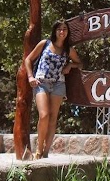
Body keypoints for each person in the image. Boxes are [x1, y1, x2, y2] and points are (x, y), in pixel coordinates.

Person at [24, 19, 82, 159]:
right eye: (59, 29)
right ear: (55, 31)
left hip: (58, 84)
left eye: (64, 29)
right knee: (44, 115)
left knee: (53, 118)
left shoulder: (69, 50)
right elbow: (28, 60)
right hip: (41, 83)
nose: (62, 32)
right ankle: (39, 149)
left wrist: (70, 66)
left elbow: (79, 63)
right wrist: (30, 76)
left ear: (67, 33)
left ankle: (46, 152)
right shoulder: (45, 44)